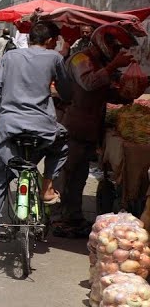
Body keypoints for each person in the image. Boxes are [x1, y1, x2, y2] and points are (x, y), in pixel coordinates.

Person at [0, 23, 71, 260]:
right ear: (50, 40)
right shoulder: (54, 58)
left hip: (9, 127)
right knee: (63, 143)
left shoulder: (10, 56)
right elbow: (68, 91)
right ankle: (47, 186)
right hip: (42, 128)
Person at [56, 24, 138, 232]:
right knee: (70, 173)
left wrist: (131, 91)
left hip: (92, 128)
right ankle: (63, 218)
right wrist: (113, 67)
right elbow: (89, 83)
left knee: (80, 175)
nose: (117, 52)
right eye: (115, 46)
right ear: (104, 42)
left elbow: (107, 92)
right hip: (75, 125)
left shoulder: (102, 62)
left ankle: (73, 217)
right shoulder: (80, 58)